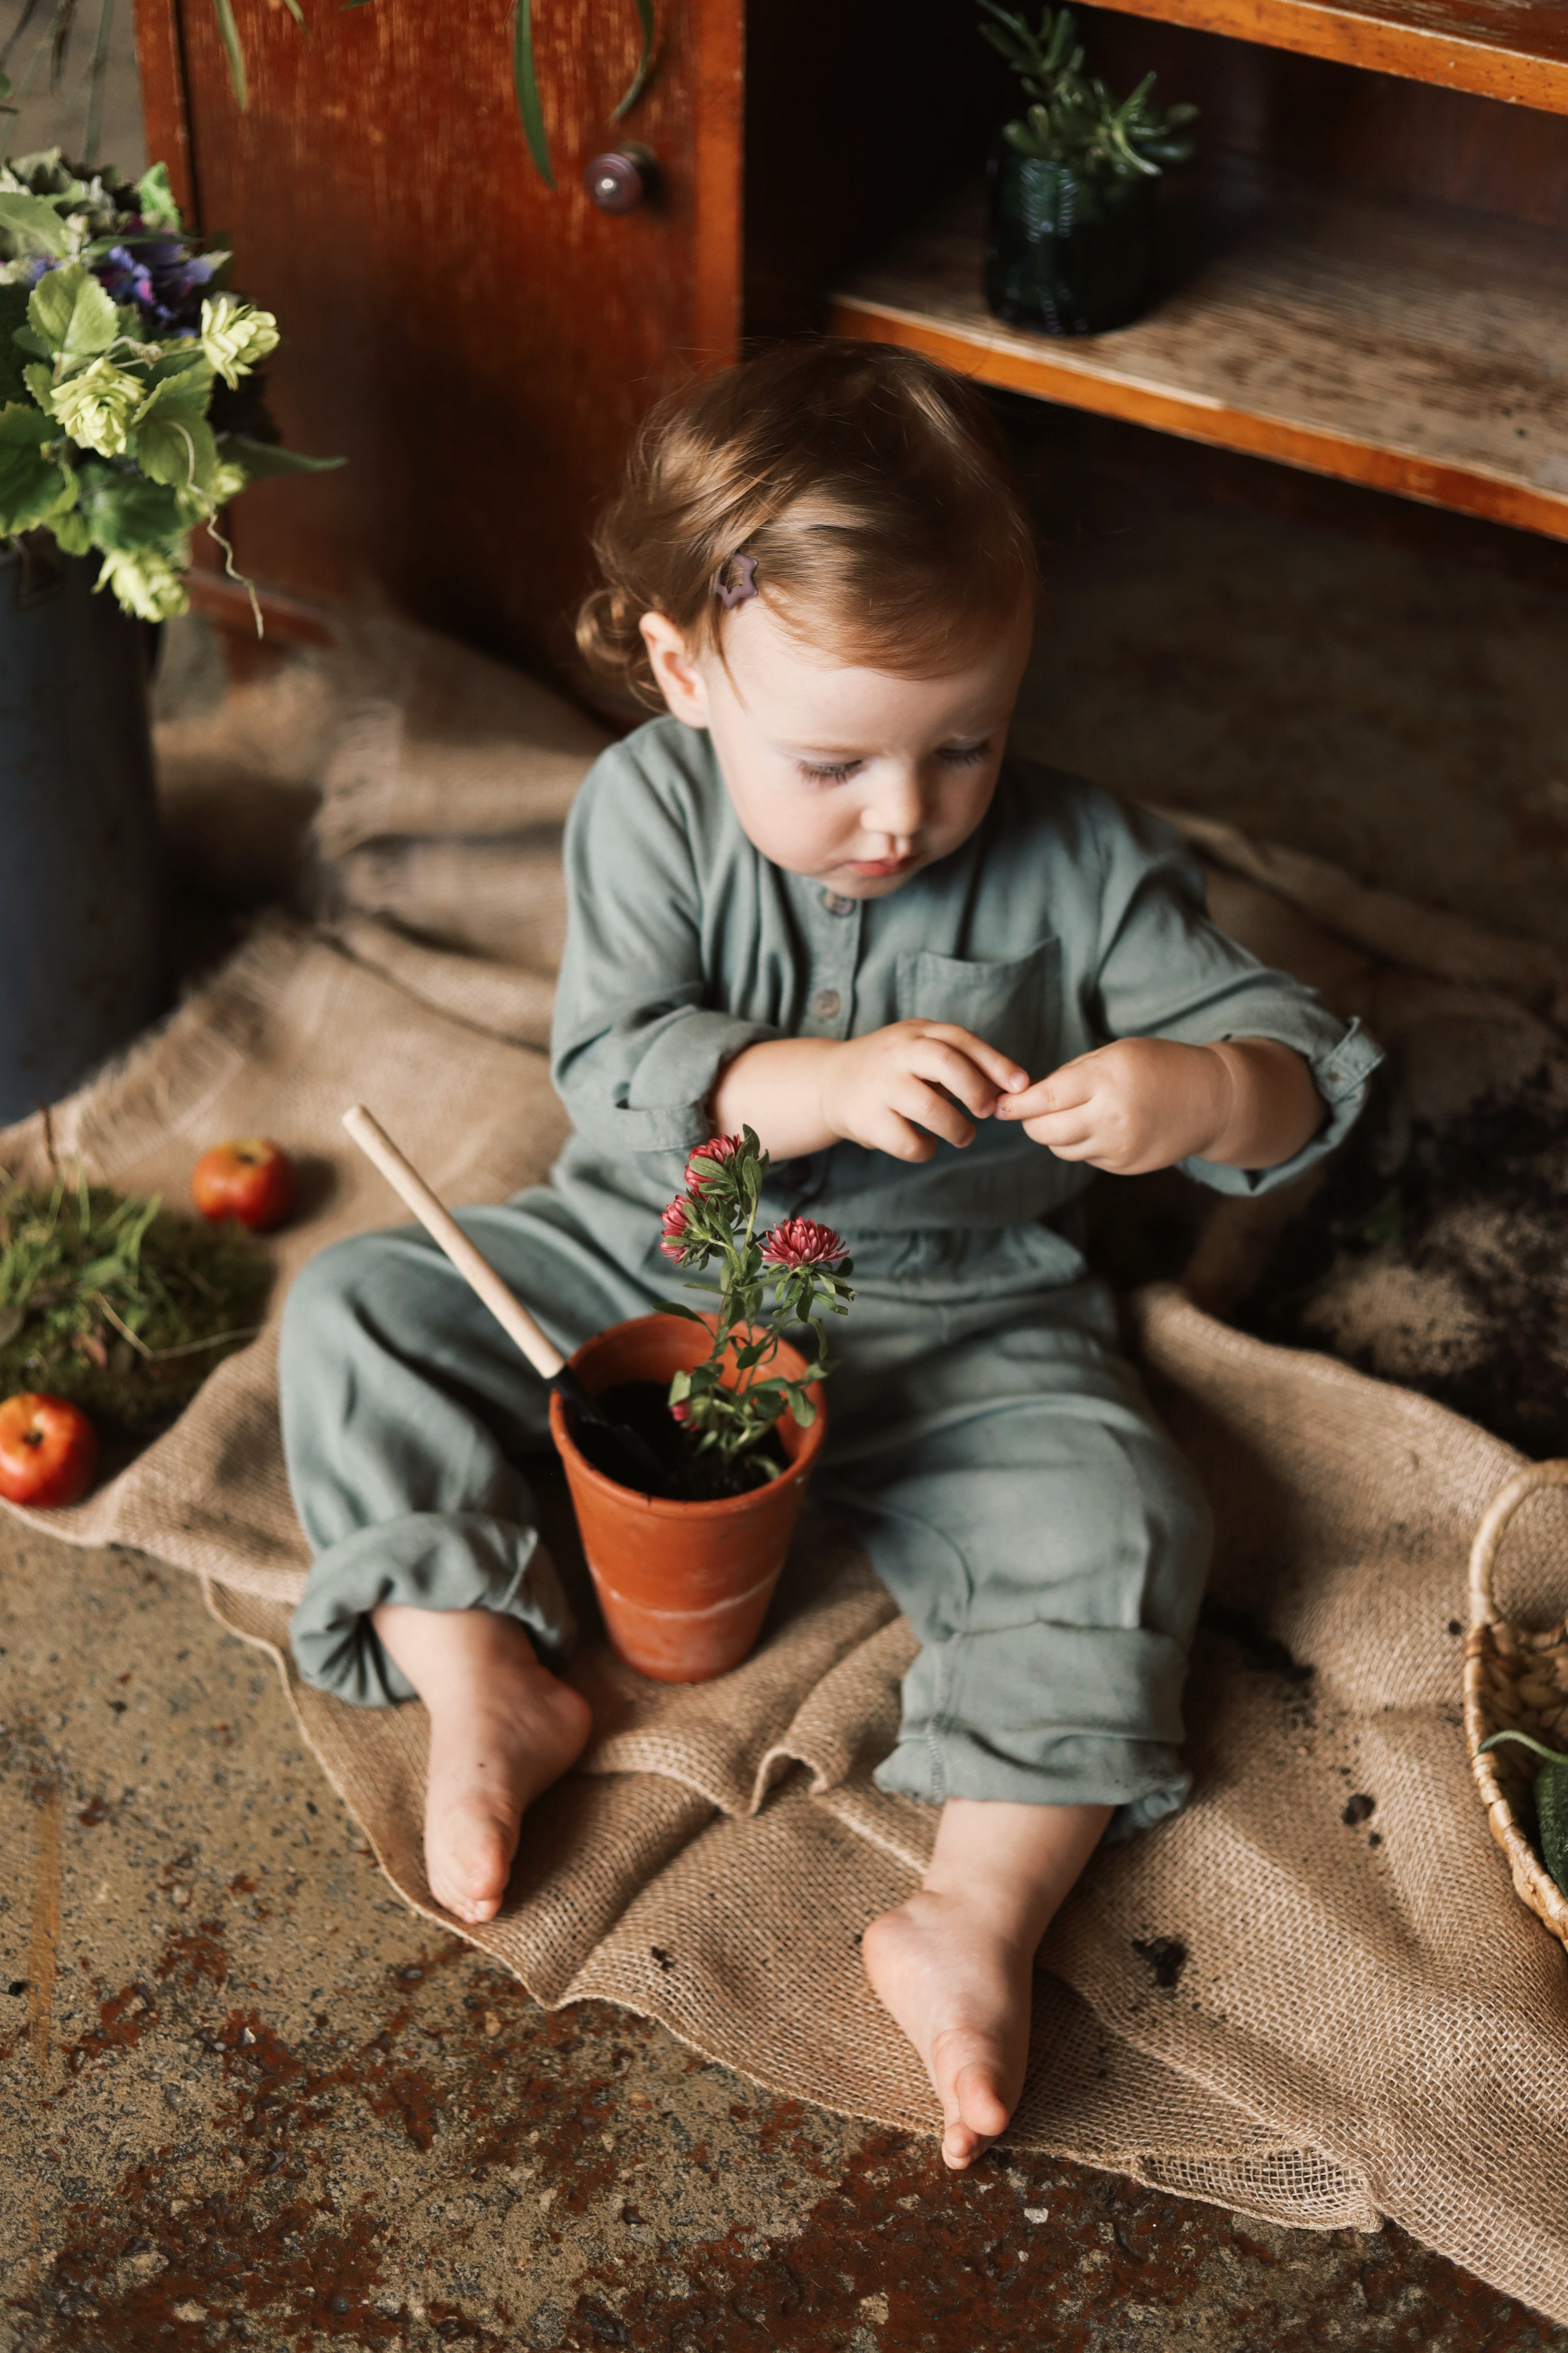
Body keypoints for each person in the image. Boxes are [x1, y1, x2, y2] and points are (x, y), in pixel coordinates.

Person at [280, 341, 1380, 2170]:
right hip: (654, 1275)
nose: (905, 813)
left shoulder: (1083, 858)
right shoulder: (647, 807)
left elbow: (1308, 1065)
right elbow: (620, 1075)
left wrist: (1202, 1087)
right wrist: (814, 1080)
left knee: (1125, 1516)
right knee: (361, 1308)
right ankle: (483, 1669)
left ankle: (977, 1909)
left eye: (966, 740)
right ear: (685, 666)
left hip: (960, 1323)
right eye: (835, 759)